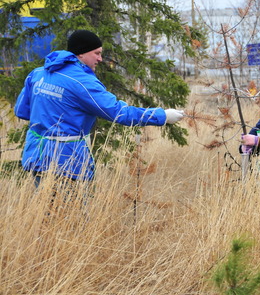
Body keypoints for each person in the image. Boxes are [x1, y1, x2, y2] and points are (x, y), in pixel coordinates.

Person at [14, 29, 185, 185]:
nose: (100, 59)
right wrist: (162, 115)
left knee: (46, 215)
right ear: (81, 53)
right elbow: (118, 113)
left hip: (36, 157)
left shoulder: (38, 74)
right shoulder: (82, 83)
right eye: (96, 53)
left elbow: (21, 111)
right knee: (73, 216)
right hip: (67, 163)